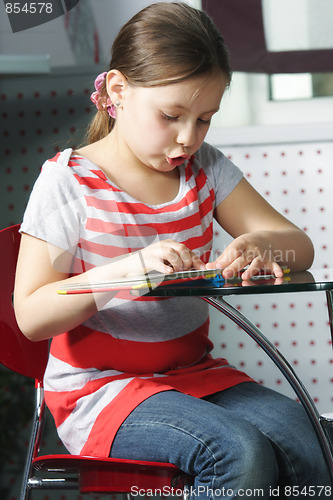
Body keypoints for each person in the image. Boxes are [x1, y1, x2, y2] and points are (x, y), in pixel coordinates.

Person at [14, 2, 331, 498]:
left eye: (205, 119)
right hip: (100, 390)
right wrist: (128, 271)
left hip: (195, 375)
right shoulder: (69, 183)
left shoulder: (204, 169)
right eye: (171, 116)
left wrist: (259, 245)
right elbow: (32, 315)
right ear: (118, 92)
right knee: (236, 452)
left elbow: (300, 248)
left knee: (309, 440)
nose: (188, 138)